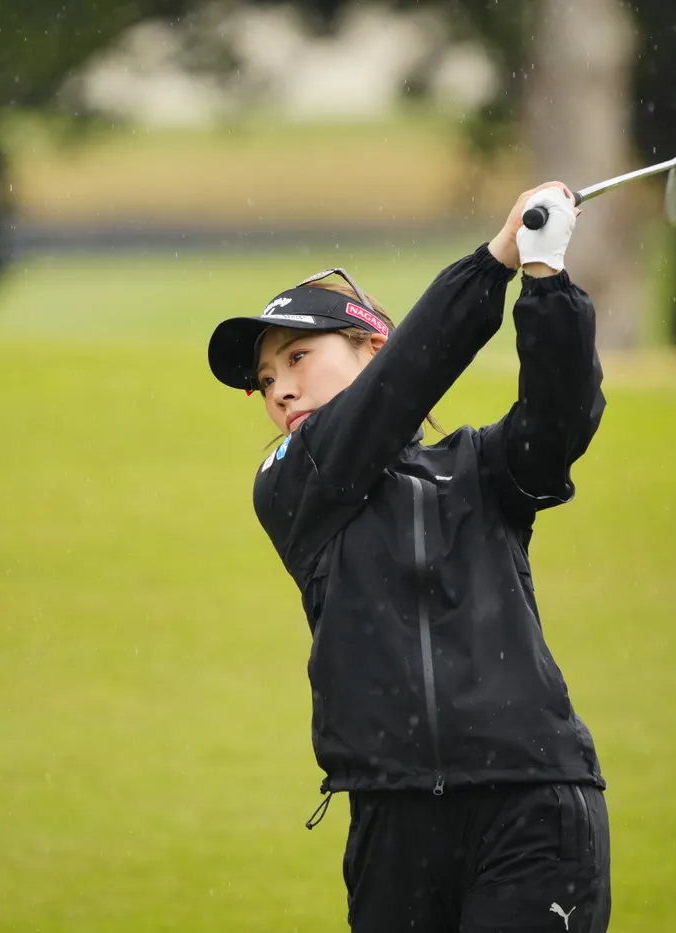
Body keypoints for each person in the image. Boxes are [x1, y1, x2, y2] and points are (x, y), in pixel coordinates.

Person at [205, 183, 611, 933]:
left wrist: (545, 279)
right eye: (265, 380)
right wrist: (492, 262)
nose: (280, 390)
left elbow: (560, 415)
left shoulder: (478, 468)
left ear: (374, 346)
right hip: (392, 825)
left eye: (297, 357)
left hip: (531, 803)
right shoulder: (289, 482)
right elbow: (400, 387)